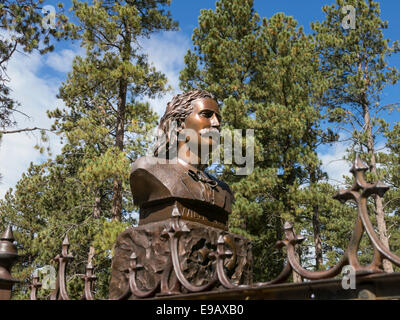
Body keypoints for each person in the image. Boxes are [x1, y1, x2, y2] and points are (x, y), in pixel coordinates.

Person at [130, 90, 233, 230]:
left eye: (218, 118)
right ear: (179, 124)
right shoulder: (148, 169)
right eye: (206, 115)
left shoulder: (223, 190)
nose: (216, 123)